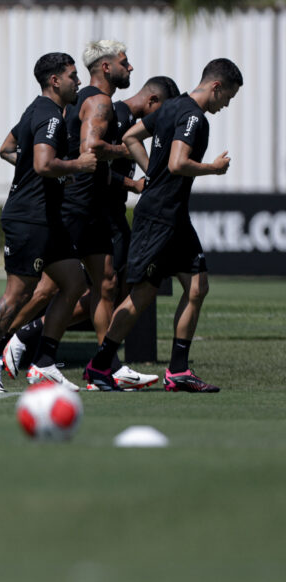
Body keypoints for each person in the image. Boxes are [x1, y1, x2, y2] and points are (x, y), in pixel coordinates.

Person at [3, 74, 180, 389]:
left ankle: (104, 366)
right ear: (153, 101)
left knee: (106, 285)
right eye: (163, 111)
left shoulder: (120, 117)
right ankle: (4, 342)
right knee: (49, 289)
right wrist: (131, 178)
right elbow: (92, 157)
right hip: (82, 209)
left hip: (104, 213)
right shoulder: (111, 112)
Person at [84, 58, 243, 392]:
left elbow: (131, 136)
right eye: (228, 97)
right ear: (216, 87)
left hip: (173, 215)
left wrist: (150, 173)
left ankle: (179, 371)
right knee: (141, 294)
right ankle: (99, 365)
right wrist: (213, 169)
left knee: (197, 286)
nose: (226, 105)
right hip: (159, 216)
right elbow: (177, 163)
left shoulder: (171, 107)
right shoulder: (193, 116)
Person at [0, 52, 96, 394]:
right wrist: (77, 165)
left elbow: (7, 149)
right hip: (30, 218)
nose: (78, 81)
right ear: (55, 81)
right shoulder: (50, 117)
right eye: (73, 76)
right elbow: (44, 164)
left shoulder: (36, 110)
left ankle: (44, 363)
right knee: (18, 293)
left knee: (75, 283)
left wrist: (42, 173)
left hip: (47, 218)